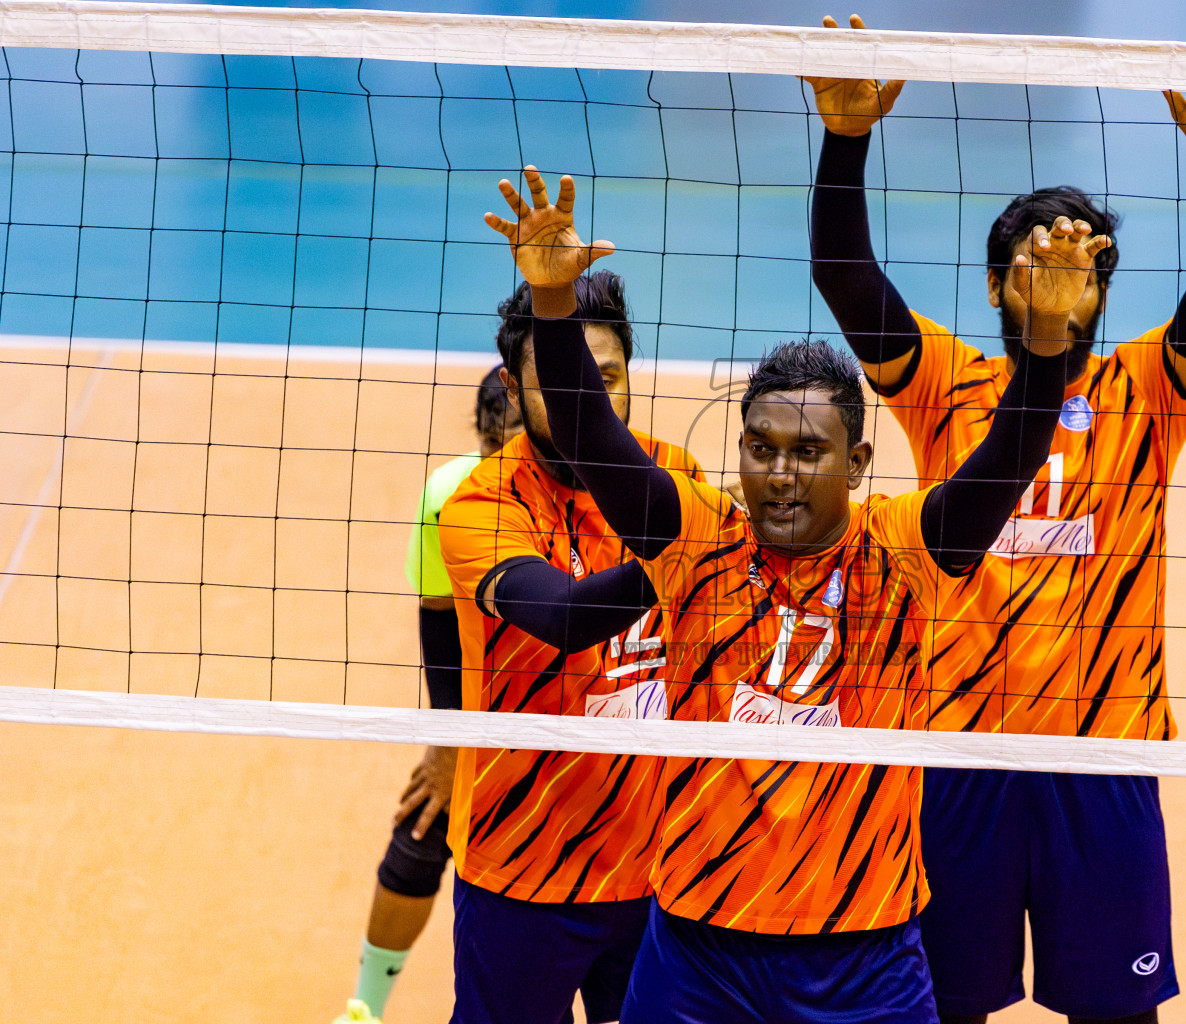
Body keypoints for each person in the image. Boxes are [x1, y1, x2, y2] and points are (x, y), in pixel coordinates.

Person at [483, 164, 1101, 1023]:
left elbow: (1011, 454)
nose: (779, 473)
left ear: (856, 464)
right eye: (761, 447)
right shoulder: (696, 539)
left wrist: (1043, 341)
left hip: (867, 953)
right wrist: (552, 304)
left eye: (808, 453)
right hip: (701, 947)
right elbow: (588, 429)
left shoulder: (905, 551)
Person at [806, 18, 1186, 1024]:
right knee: (938, 1007)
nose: (1064, 277)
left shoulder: (1146, 390)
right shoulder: (948, 383)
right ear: (996, 286)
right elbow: (847, 279)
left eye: (1084, 267)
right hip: (958, 755)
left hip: (1103, 756)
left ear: (1103, 292)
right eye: (1035, 260)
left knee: (1121, 1011)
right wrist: (844, 137)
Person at [437, 271, 707, 1024]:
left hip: (661, 864)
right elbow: (559, 616)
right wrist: (686, 556)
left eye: (607, 378)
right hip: (524, 865)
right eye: (560, 381)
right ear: (515, 390)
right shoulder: (482, 504)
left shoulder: (675, 475)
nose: (588, 402)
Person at [335, 366, 521, 1024]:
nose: (515, 459)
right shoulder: (451, 493)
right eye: (505, 444)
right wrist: (449, 744)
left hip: (588, 703)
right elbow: (439, 615)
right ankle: (365, 1008)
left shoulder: (598, 484)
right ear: (483, 438)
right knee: (420, 832)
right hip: (486, 704)